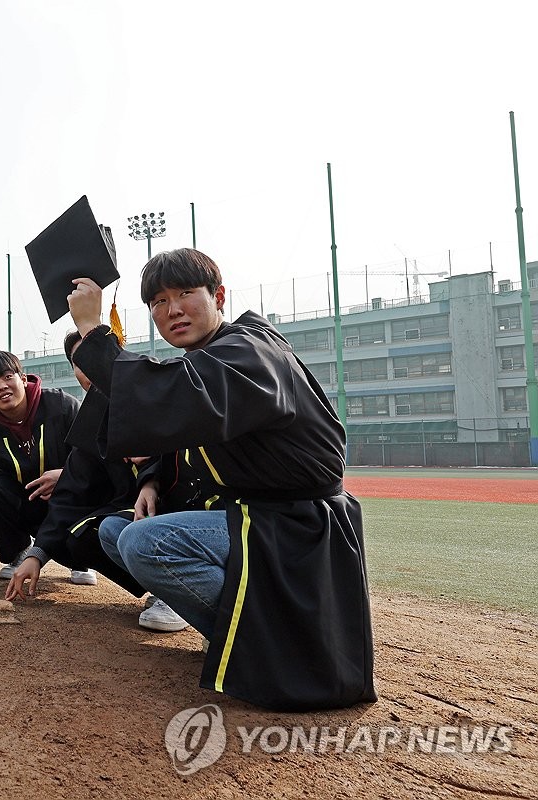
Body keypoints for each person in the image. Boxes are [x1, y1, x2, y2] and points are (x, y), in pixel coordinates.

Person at [68, 247, 375, 711]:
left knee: (144, 543)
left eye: (186, 294)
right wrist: (150, 481)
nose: (172, 310)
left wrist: (93, 330)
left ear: (220, 295)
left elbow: (173, 399)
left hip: (293, 525)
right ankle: (236, 629)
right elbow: (176, 427)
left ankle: (270, 644)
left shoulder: (250, 350)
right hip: (251, 516)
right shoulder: (210, 357)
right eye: (157, 302)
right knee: (115, 531)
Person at [5, 331, 180, 624]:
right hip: (135, 513)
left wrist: (151, 479)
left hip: (189, 508)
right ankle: (163, 589)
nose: (88, 368)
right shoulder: (93, 417)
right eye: (78, 362)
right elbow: (73, 492)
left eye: (95, 356)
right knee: (88, 533)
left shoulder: (158, 387)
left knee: (124, 525)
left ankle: (179, 594)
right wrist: (37, 554)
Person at [0, 349, 91, 592]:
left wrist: (67, 475)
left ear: (23, 379)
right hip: (28, 510)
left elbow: (94, 455)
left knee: (81, 540)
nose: (1, 386)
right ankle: (18, 552)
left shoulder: (61, 406)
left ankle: (81, 561)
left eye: (7, 377)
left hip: (70, 507)